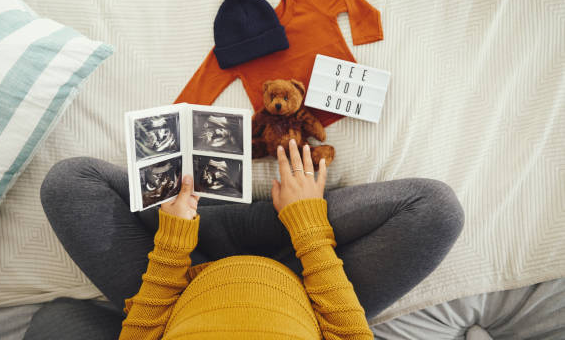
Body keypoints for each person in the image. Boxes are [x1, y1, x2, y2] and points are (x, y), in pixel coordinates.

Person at [26, 139, 464, 339]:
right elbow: (346, 331)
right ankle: (263, 216)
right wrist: (306, 222)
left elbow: (145, 332)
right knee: (436, 211)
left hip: (186, 286)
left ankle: (216, 223)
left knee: (69, 186)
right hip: (301, 286)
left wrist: (174, 244)